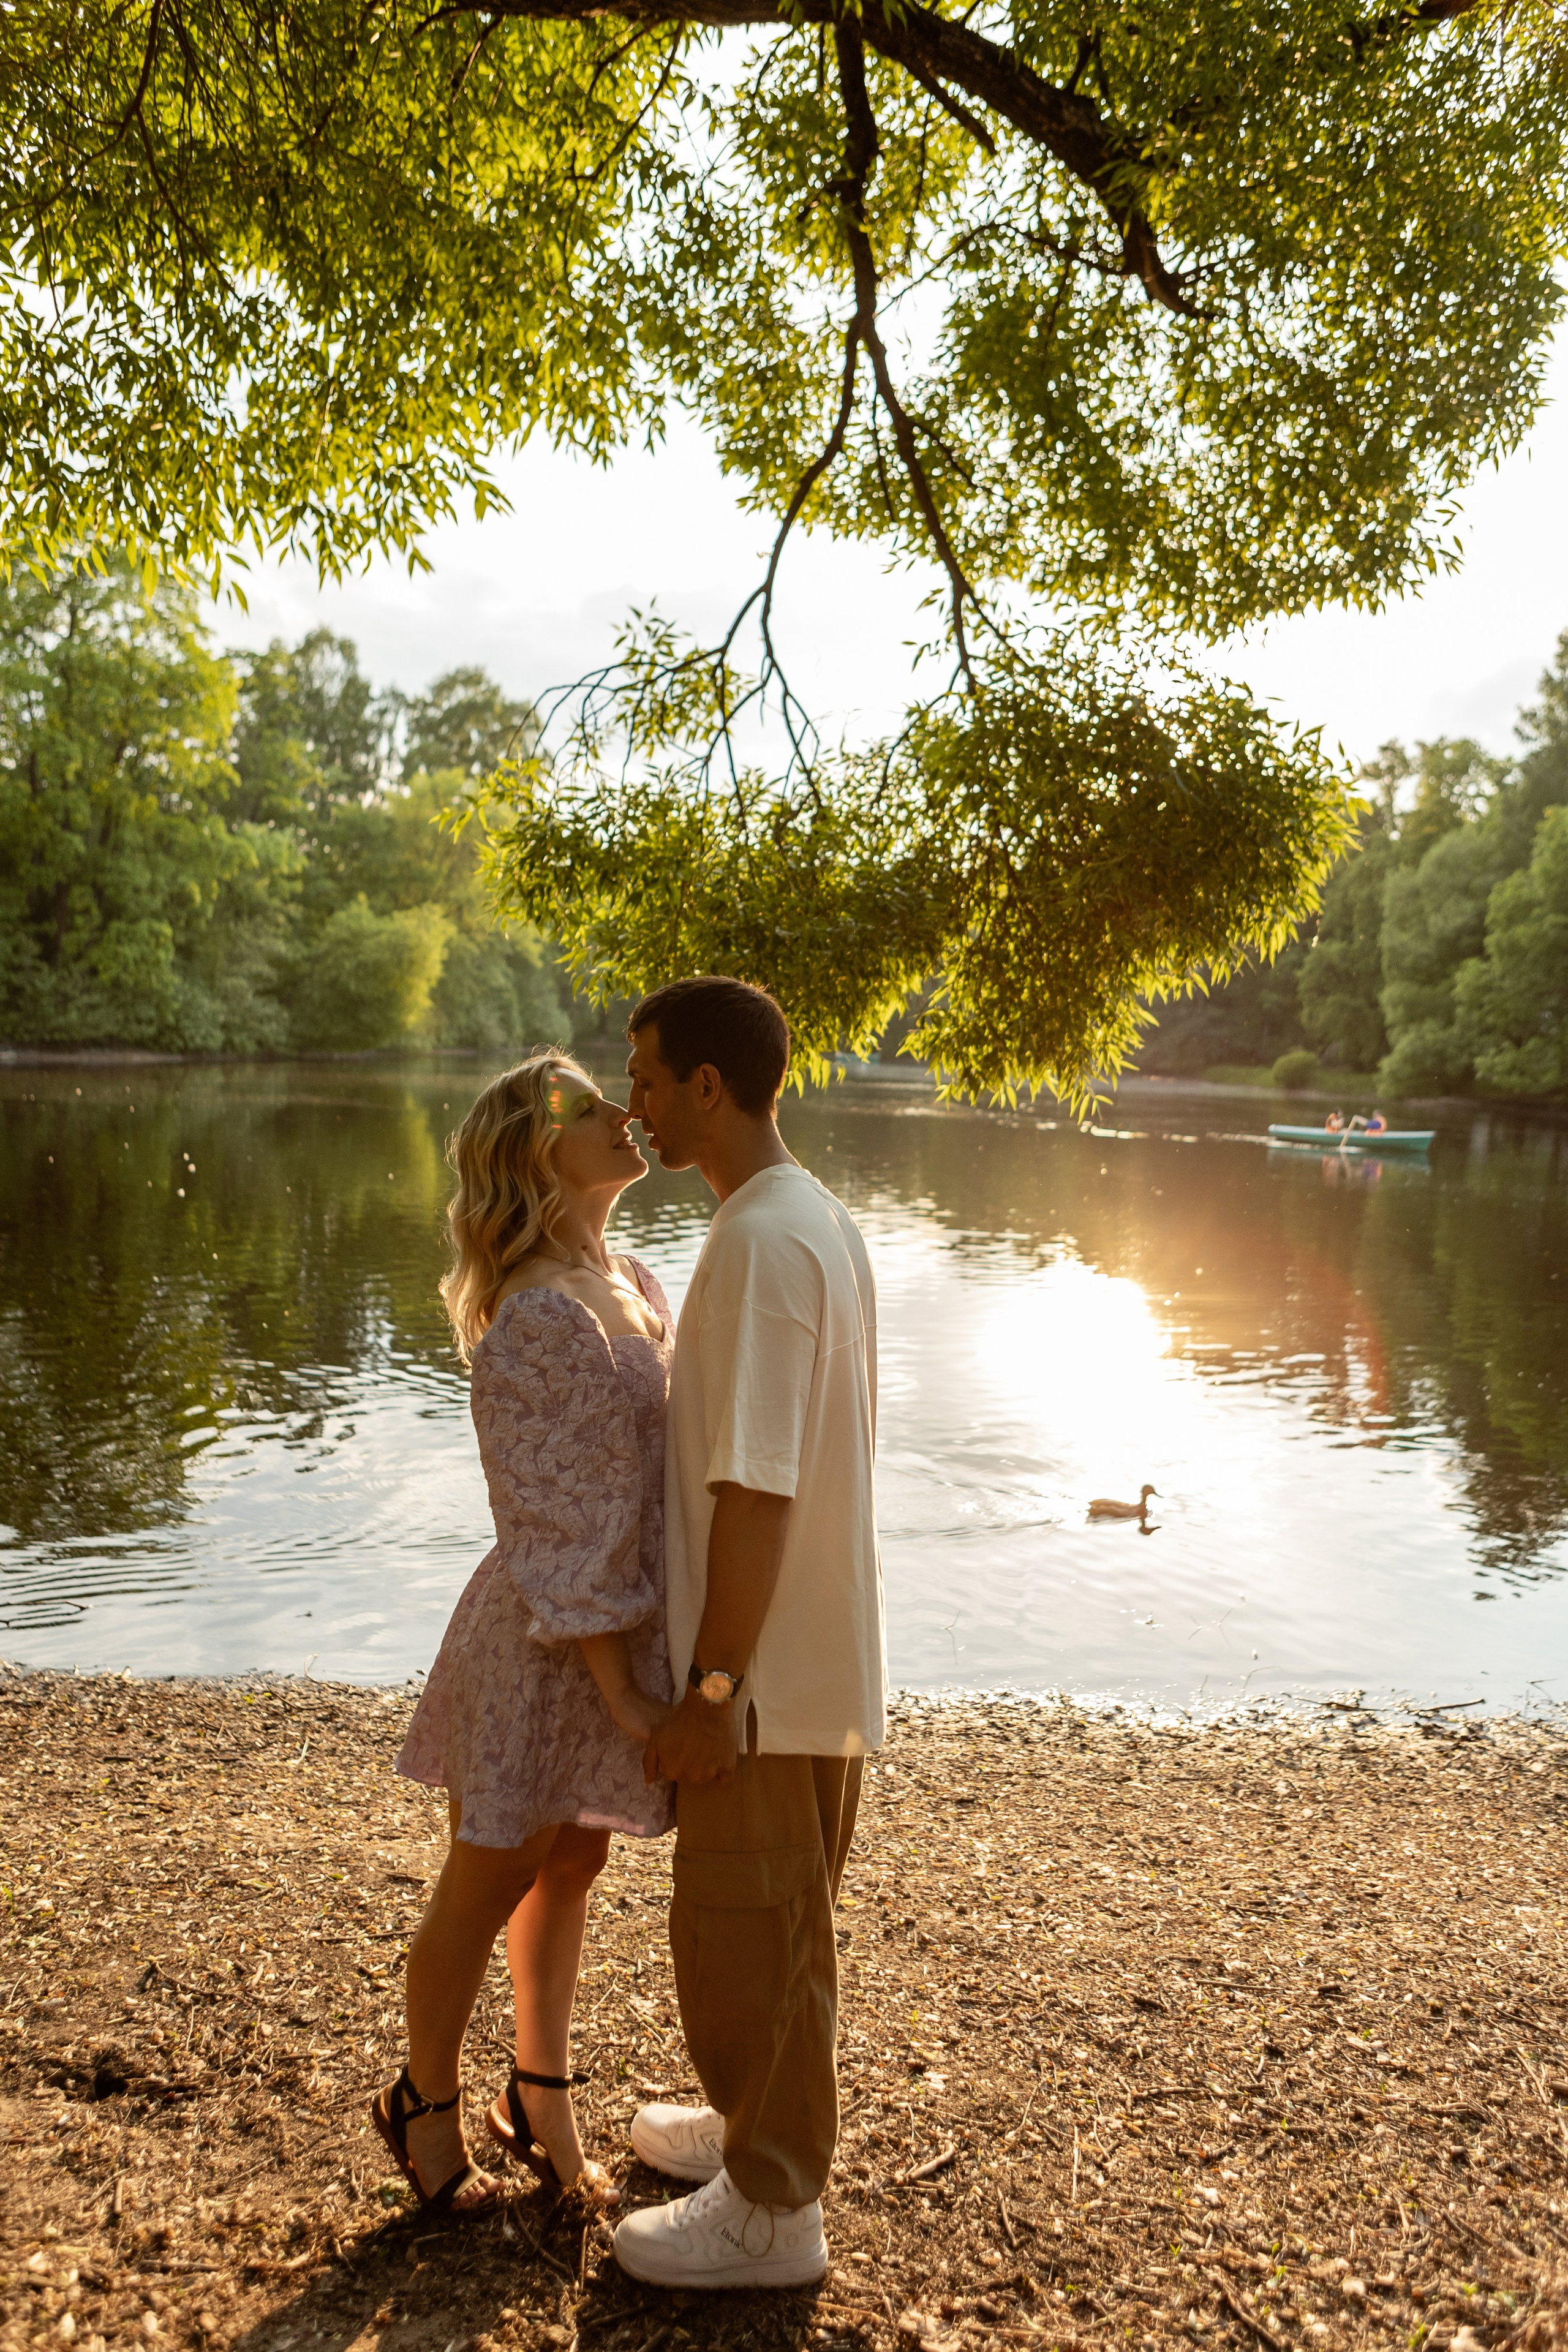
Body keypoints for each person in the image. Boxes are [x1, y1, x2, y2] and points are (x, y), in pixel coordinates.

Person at [609, 975, 886, 2293]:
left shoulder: (767, 1242)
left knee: (744, 1925)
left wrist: (712, 1683)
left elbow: (758, 1482)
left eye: (648, 1080)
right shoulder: (803, 1216)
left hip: (766, 1677)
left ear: (707, 1089)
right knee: (775, 1930)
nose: (635, 1106)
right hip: (801, 1663)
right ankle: (750, 2126)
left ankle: (774, 2209)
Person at [373, 1055, 676, 2217]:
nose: (623, 1114)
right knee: (490, 1873)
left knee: (573, 1858)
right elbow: (556, 1515)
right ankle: (424, 2103)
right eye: (591, 1109)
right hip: (546, 1640)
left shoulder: (635, 1279)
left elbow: (651, 1488)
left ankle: (537, 2091)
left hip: (606, 1628)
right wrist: (627, 1693)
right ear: (537, 1154)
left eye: (617, 1097)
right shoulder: (538, 1316)